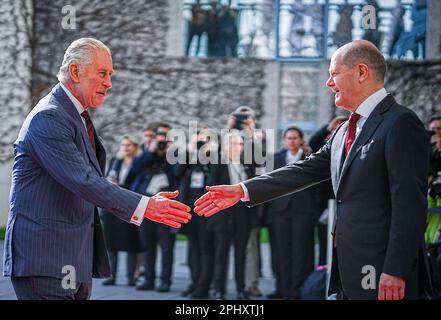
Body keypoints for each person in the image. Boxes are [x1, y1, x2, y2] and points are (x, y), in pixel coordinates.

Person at [195, 40, 431, 300]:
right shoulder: (343, 131)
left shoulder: (401, 123)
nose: (328, 83)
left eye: (334, 74)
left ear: (362, 72)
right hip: (348, 272)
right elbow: (303, 170)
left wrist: (396, 269)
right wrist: (243, 189)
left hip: (383, 273)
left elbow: (409, 205)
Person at [3, 38, 191, 300]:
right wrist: (146, 206)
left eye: (110, 75)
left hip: (70, 262)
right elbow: (84, 181)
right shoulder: (49, 117)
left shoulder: (72, 115)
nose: (109, 83)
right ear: (75, 71)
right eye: (102, 73)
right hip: (46, 260)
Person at [267, 126, 318, 299]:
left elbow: (317, 187)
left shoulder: (309, 158)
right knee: (281, 252)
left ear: (301, 140)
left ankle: (297, 290)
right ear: (284, 140)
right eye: (289, 138)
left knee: (300, 252)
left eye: (295, 138)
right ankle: (282, 288)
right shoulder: (276, 158)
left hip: (303, 211)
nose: (292, 141)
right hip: (280, 212)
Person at [100, 136, 144, 287]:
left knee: (131, 242)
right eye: (123, 144)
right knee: (111, 243)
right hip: (113, 204)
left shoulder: (139, 163)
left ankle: (131, 276)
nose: (125, 148)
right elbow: (107, 178)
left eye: (129, 145)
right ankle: (111, 275)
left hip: (131, 203)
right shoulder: (115, 161)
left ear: (135, 147)